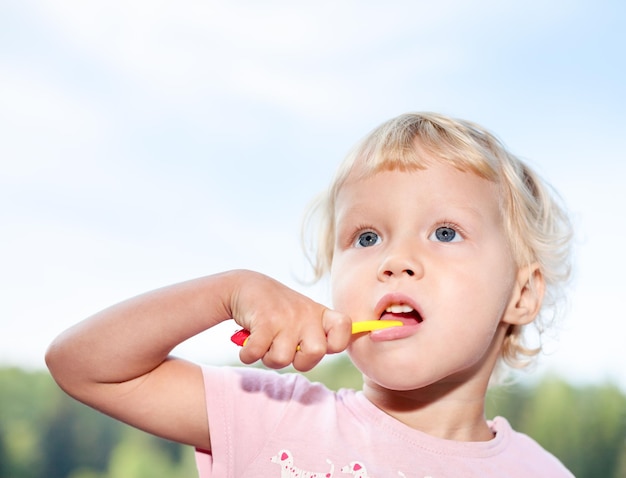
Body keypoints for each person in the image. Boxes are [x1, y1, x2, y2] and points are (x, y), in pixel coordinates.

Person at [46, 112, 574, 477]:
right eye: (366, 237)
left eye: (444, 232)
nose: (395, 261)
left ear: (521, 294)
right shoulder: (270, 416)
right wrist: (228, 290)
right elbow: (82, 365)